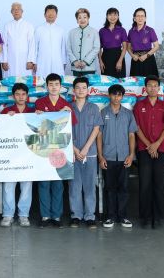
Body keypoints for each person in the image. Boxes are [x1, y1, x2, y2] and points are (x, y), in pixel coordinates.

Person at [34, 73, 74, 228]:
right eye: (50, 84)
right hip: (44, 149)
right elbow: (36, 127)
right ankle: (45, 216)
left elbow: (71, 128)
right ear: (46, 86)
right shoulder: (39, 103)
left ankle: (56, 216)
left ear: (61, 86)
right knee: (44, 184)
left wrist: (68, 113)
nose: (54, 87)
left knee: (58, 184)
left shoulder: (66, 104)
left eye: (56, 84)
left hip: (60, 150)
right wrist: (37, 116)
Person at [97, 83, 137, 228]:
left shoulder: (128, 114)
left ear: (122, 96)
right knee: (109, 188)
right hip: (108, 157)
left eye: (119, 95)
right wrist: (100, 157)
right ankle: (110, 217)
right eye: (114, 94)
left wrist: (131, 155)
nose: (116, 97)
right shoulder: (103, 113)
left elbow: (131, 135)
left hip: (124, 157)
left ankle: (123, 216)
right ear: (109, 95)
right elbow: (99, 136)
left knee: (124, 188)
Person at [134, 75, 164, 228]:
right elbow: (136, 128)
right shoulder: (139, 106)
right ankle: (146, 217)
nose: (152, 88)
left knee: (159, 184)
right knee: (145, 183)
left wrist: (157, 144)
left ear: (159, 88)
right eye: (149, 85)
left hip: (160, 149)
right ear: (145, 88)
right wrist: (149, 145)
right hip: (144, 149)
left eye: (155, 86)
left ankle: (157, 216)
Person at [68, 77, 102, 229]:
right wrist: (75, 149)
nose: (81, 90)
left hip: (90, 153)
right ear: (73, 90)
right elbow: (64, 131)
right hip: (72, 153)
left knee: (89, 186)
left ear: (88, 90)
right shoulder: (68, 108)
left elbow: (96, 129)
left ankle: (90, 216)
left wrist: (86, 148)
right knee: (74, 186)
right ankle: (75, 215)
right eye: (78, 88)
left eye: (83, 88)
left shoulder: (94, 108)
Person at [0, 83, 34, 227]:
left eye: (23, 94)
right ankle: (8, 215)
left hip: (28, 155)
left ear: (27, 96)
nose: (21, 97)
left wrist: (40, 116)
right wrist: (6, 119)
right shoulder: (6, 111)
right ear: (13, 96)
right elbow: (0, 132)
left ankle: (23, 215)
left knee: (26, 185)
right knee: (8, 185)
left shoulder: (33, 111)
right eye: (18, 94)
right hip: (11, 155)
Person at [1, 2, 36, 77]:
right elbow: (4, 44)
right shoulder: (7, 26)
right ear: (11, 12)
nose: (16, 11)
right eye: (14, 9)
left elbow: (32, 44)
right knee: (11, 80)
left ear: (22, 11)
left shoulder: (28, 25)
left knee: (25, 80)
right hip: (10, 60)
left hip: (25, 60)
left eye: (18, 9)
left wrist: (30, 60)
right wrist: (4, 61)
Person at [34, 5, 67, 79]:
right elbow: (35, 47)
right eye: (48, 12)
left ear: (56, 15)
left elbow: (63, 48)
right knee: (42, 80)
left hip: (57, 62)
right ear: (44, 15)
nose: (51, 14)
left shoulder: (61, 30)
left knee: (57, 80)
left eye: (53, 12)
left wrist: (64, 62)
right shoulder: (39, 29)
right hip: (42, 62)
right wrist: (34, 62)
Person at [126, 7, 159, 77]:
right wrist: (132, 55)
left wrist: (146, 56)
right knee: (136, 81)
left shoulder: (150, 30)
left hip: (148, 59)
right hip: (136, 60)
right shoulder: (131, 31)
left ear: (145, 18)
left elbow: (156, 46)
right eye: (138, 16)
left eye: (142, 16)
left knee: (149, 81)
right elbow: (128, 48)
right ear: (134, 18)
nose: (140, 18)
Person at [67, 8, 100, 77]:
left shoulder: (94, 32)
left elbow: (96, 48)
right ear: (77, 20)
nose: (82, 20)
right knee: (76, 83)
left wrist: (86, 61)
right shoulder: (72, 32)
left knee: (89, 83)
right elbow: (68, 48)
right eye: (79, 18)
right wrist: (74, 61)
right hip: (76, 67)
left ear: (88, 19)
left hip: (89, 67)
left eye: (85, 17)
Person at [98, 8, 128, 78]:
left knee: (119, 80)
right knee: (106, 80)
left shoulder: (122, 30)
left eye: (115, 15)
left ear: (118, 16)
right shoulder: (102, 31)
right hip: (106, 58)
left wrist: (120, 61)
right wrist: (100, 61)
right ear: (107, 16)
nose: (112, 17)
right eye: (110, 15)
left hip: (118, 57)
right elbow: (99, 48)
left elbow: (125, 47)